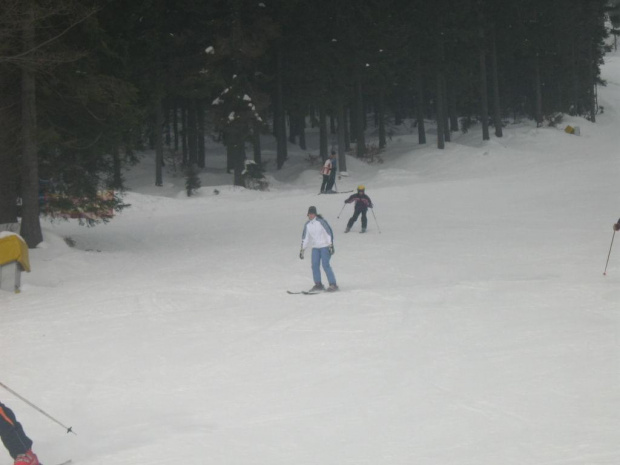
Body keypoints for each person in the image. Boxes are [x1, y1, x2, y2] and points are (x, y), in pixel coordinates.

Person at [300, 206, 338, 292]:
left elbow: (328, 233)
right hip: (315, 248)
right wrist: (302, 250)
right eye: (310, 214)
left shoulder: (321, 222)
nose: (311, 216)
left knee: (325, 265)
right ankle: (318, 284)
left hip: (324, 246)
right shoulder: (308, 225)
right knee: (314, 265)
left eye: (312, 214)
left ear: (315, 214)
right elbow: (305, 238)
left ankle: (333, 284)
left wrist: (331, 245)